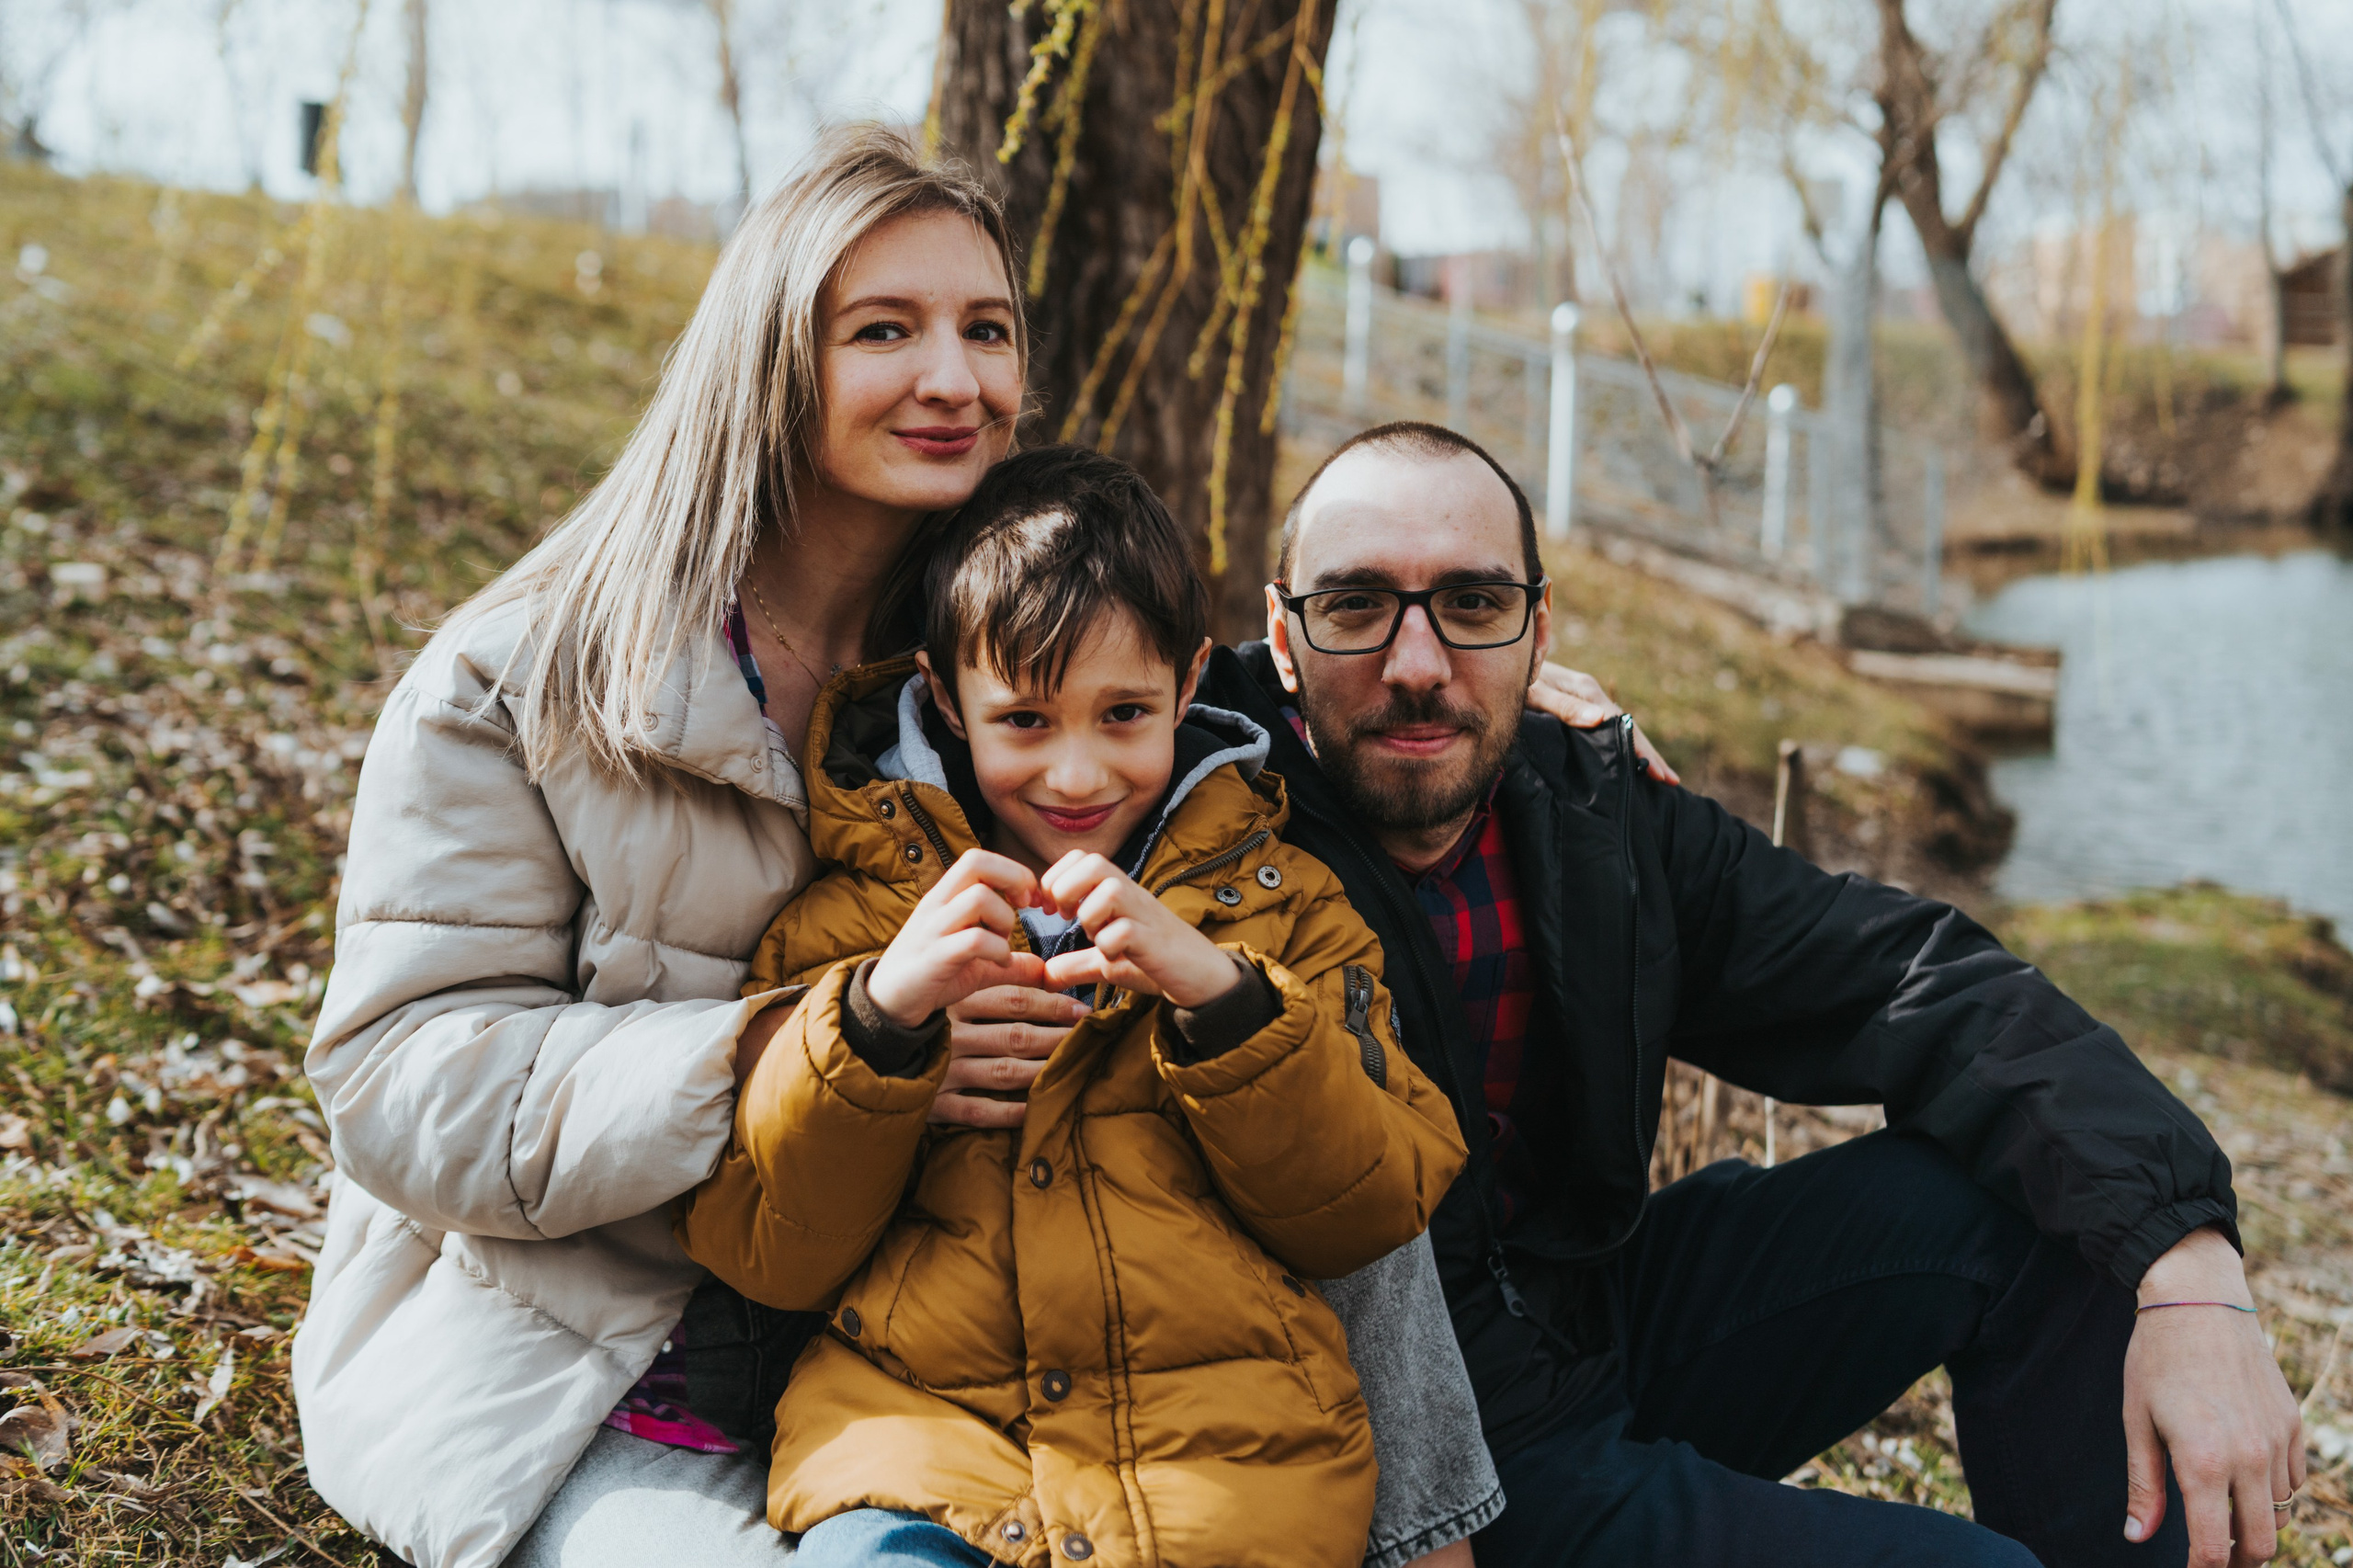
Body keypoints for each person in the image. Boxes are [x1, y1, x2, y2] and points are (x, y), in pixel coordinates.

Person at [297, 132, 1560, 1568]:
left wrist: (1514, 674)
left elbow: (1211, 688)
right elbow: (398, 1085)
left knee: (1280, 1021)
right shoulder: (529, 678)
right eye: (884, 329)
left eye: (988, 328)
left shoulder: (991, 640)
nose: (954, 377)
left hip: (959, 1350)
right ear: (770, 358)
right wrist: (815, 1042)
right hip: (608, 1370)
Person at [1174, 419, 2305, 1568]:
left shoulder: (1588, 815)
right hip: (1398, 1455)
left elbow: (1910, 980)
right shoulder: (1184, 828)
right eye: (1357, 605)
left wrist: (2190, 1261)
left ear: (1537, 626)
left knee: (2051, 1193)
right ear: (1278, 633)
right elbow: (1029, 716)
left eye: (1471, 605)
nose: (1417, 665)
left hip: (1591, 1332)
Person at [676, 446, 1468, 1568]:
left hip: (1224, 1489)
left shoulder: (1282, 909)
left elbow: (1373, 1203)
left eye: (1125, 712)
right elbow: (765, 1244)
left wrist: (1224, 1001)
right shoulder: (862, 914)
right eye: (1027, 721)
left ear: (1190, 685)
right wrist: (879, 1026)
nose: (1078, 774)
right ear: (945, 697)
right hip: (921, 1462)